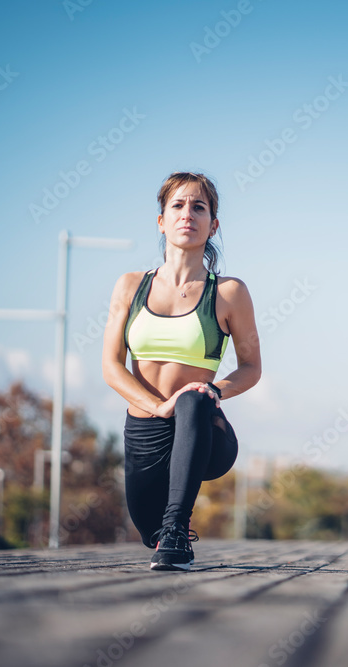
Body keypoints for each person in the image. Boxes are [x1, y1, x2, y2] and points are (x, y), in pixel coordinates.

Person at [102, 172, 261, 571]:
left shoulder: (228, 293)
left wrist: (215, 391)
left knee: (193, 396)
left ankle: (178, 531)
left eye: (199, 206)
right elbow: (110, 366)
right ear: (161, 220)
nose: (187, 213)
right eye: (177, 205)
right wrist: (157, 408)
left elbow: (252, 367)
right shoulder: (130, 285)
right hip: (146, 430)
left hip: (205, 433)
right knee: (146, 530)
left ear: (213, 224)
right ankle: (164, 530)